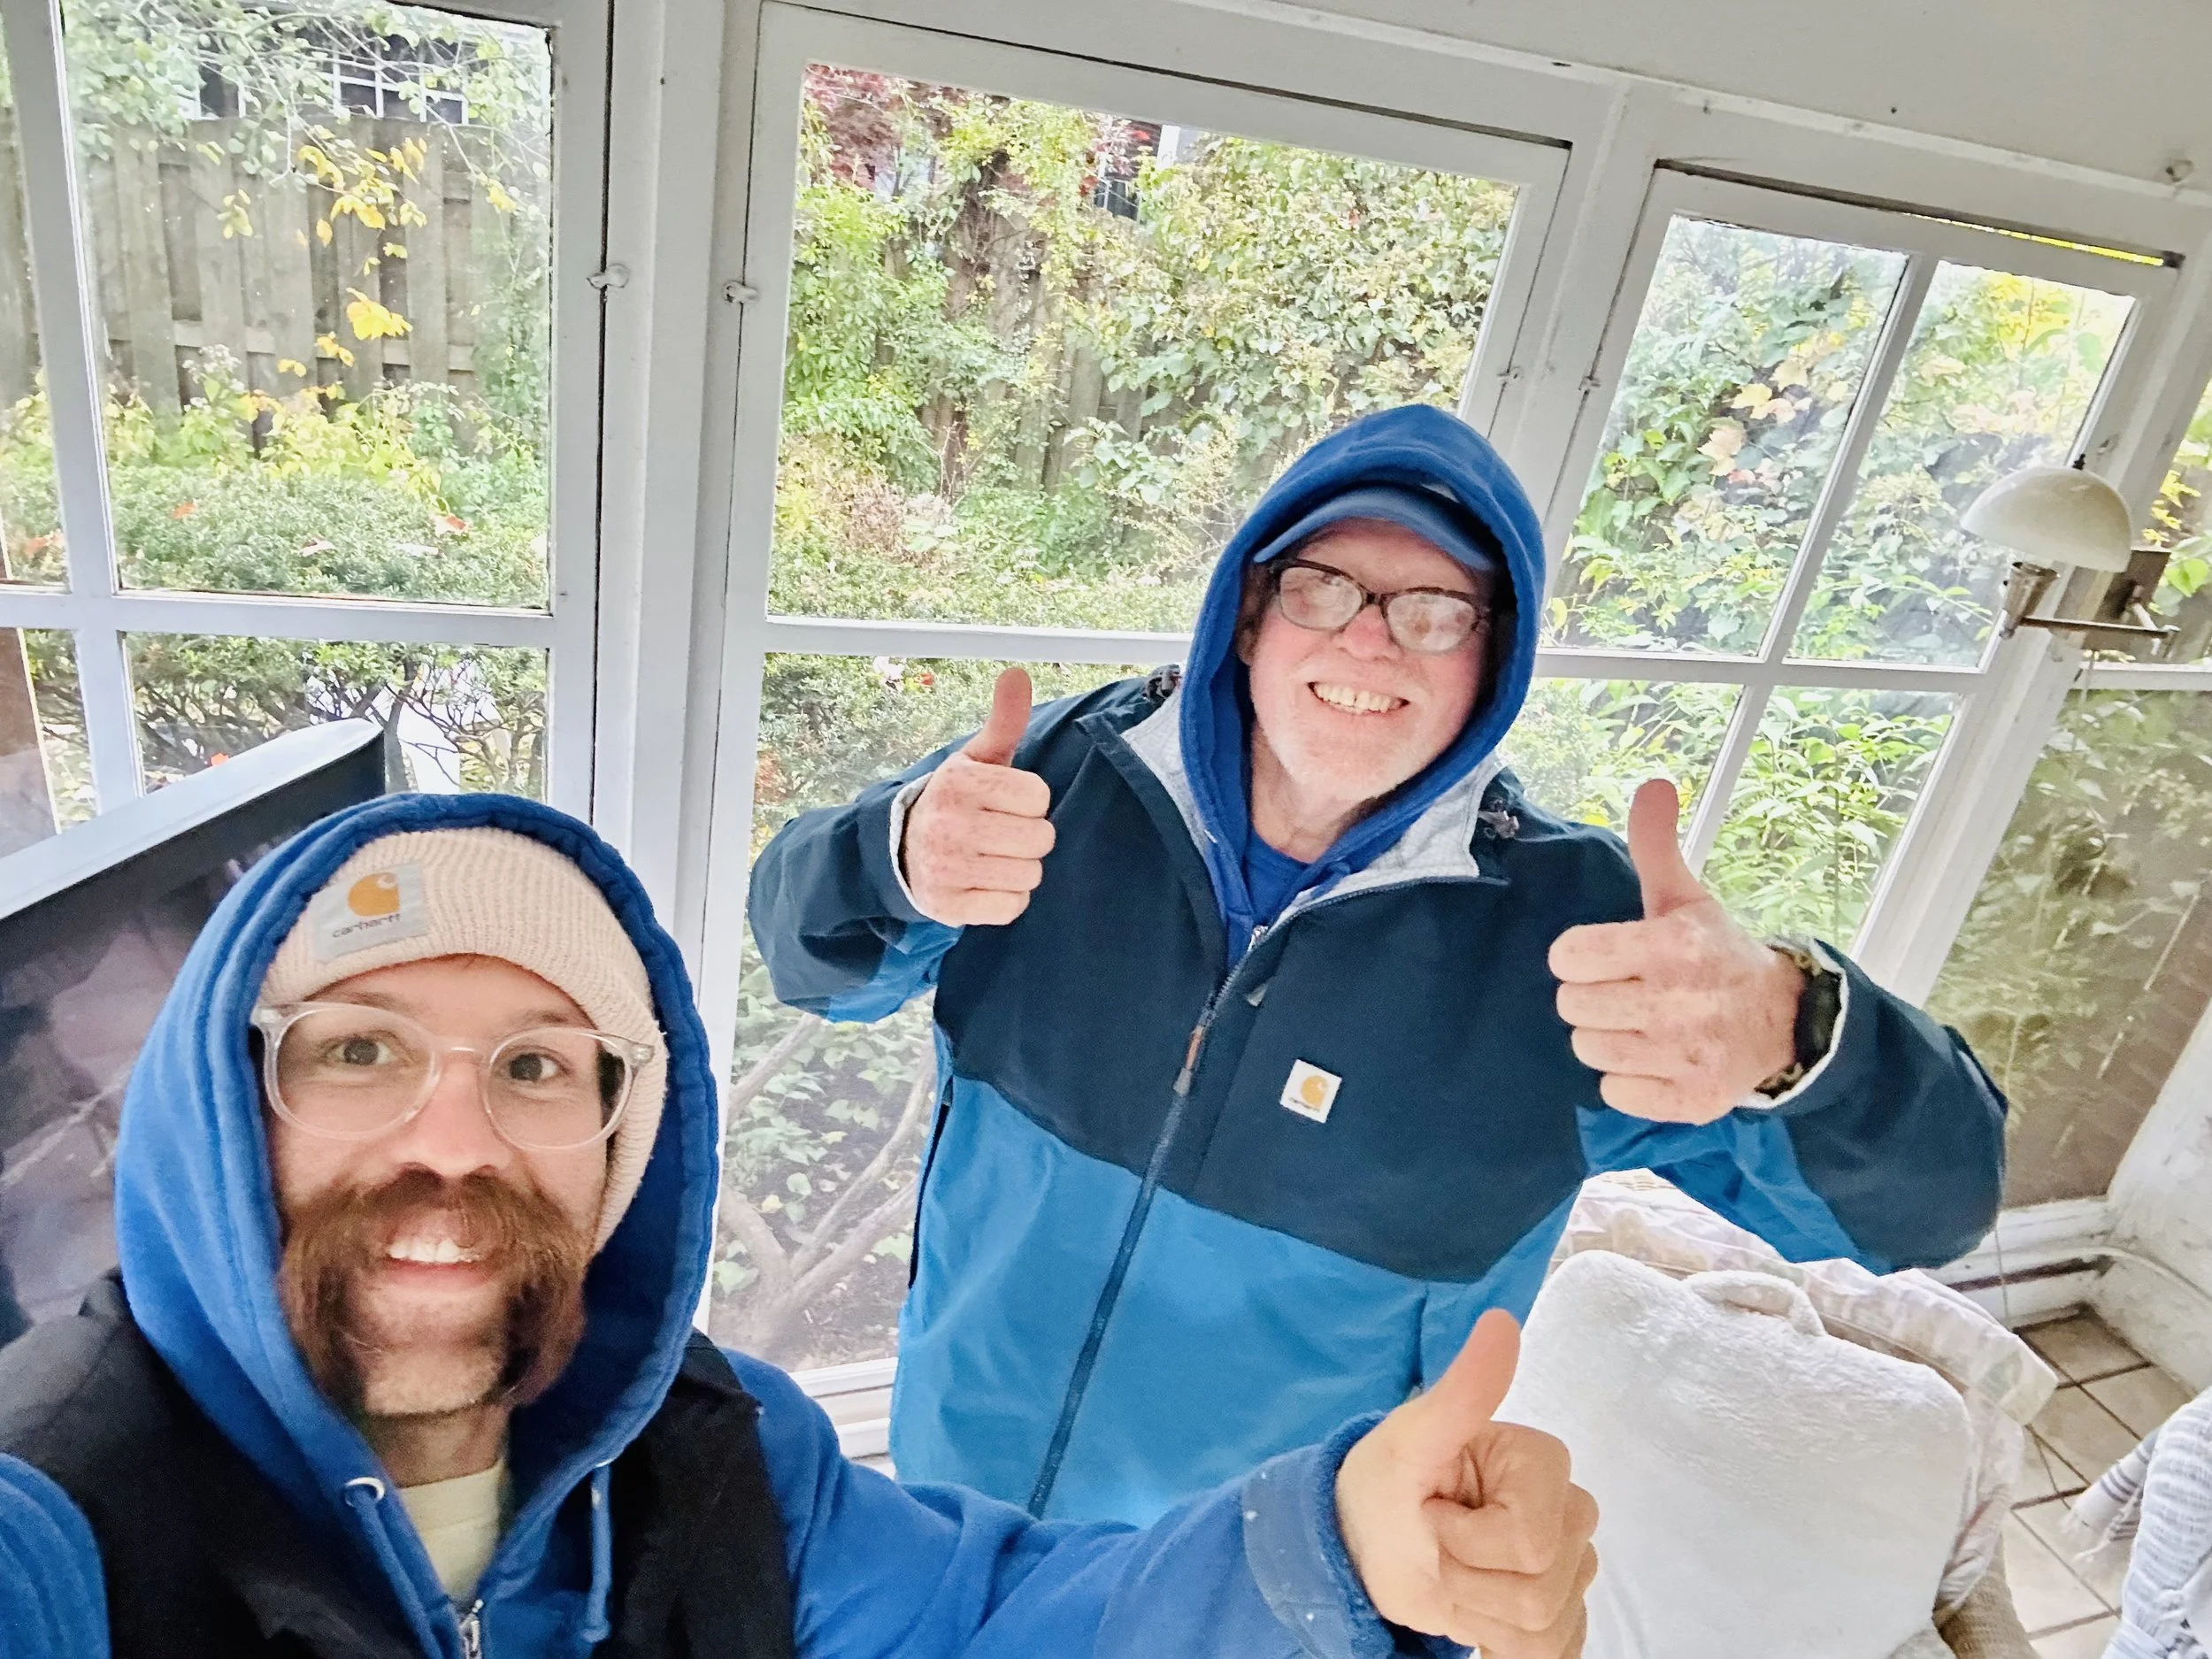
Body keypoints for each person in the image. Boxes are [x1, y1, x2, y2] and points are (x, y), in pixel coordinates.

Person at [748, 401, 2010, 1525]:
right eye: (1324, 588)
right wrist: (889, 852)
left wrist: (1797, 1031)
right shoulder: (1063, 778)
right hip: (954, 1502)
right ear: (1250, 612)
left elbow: (1935, 1207)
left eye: (1435, 608)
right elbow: (805, 955)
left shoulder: (1572, 941)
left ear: (1491, 662)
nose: (1369, 641)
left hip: (1274, 1581)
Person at [0, 792, 1599, 1659]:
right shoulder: (65, 1519)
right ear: (224, 1105)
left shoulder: (718, 1452)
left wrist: (1336, 1549)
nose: (453, 1141)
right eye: (356, 1051)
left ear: (621, 1144)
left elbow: (998, 1620)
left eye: (539, 1066)